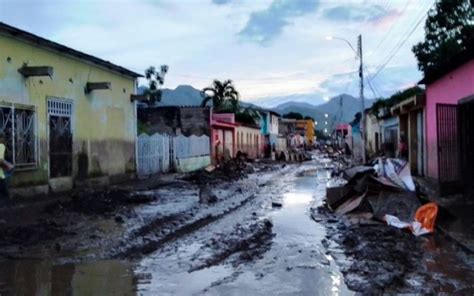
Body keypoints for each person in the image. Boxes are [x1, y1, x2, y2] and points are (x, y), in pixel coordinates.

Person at [0, 132, 14, 207]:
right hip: (0, 176)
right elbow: (0, 160)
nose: (4, 140)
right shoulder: (1, 146)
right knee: (4, 194)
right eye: (3, 138)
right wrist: (8, 165)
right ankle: (5, 210)